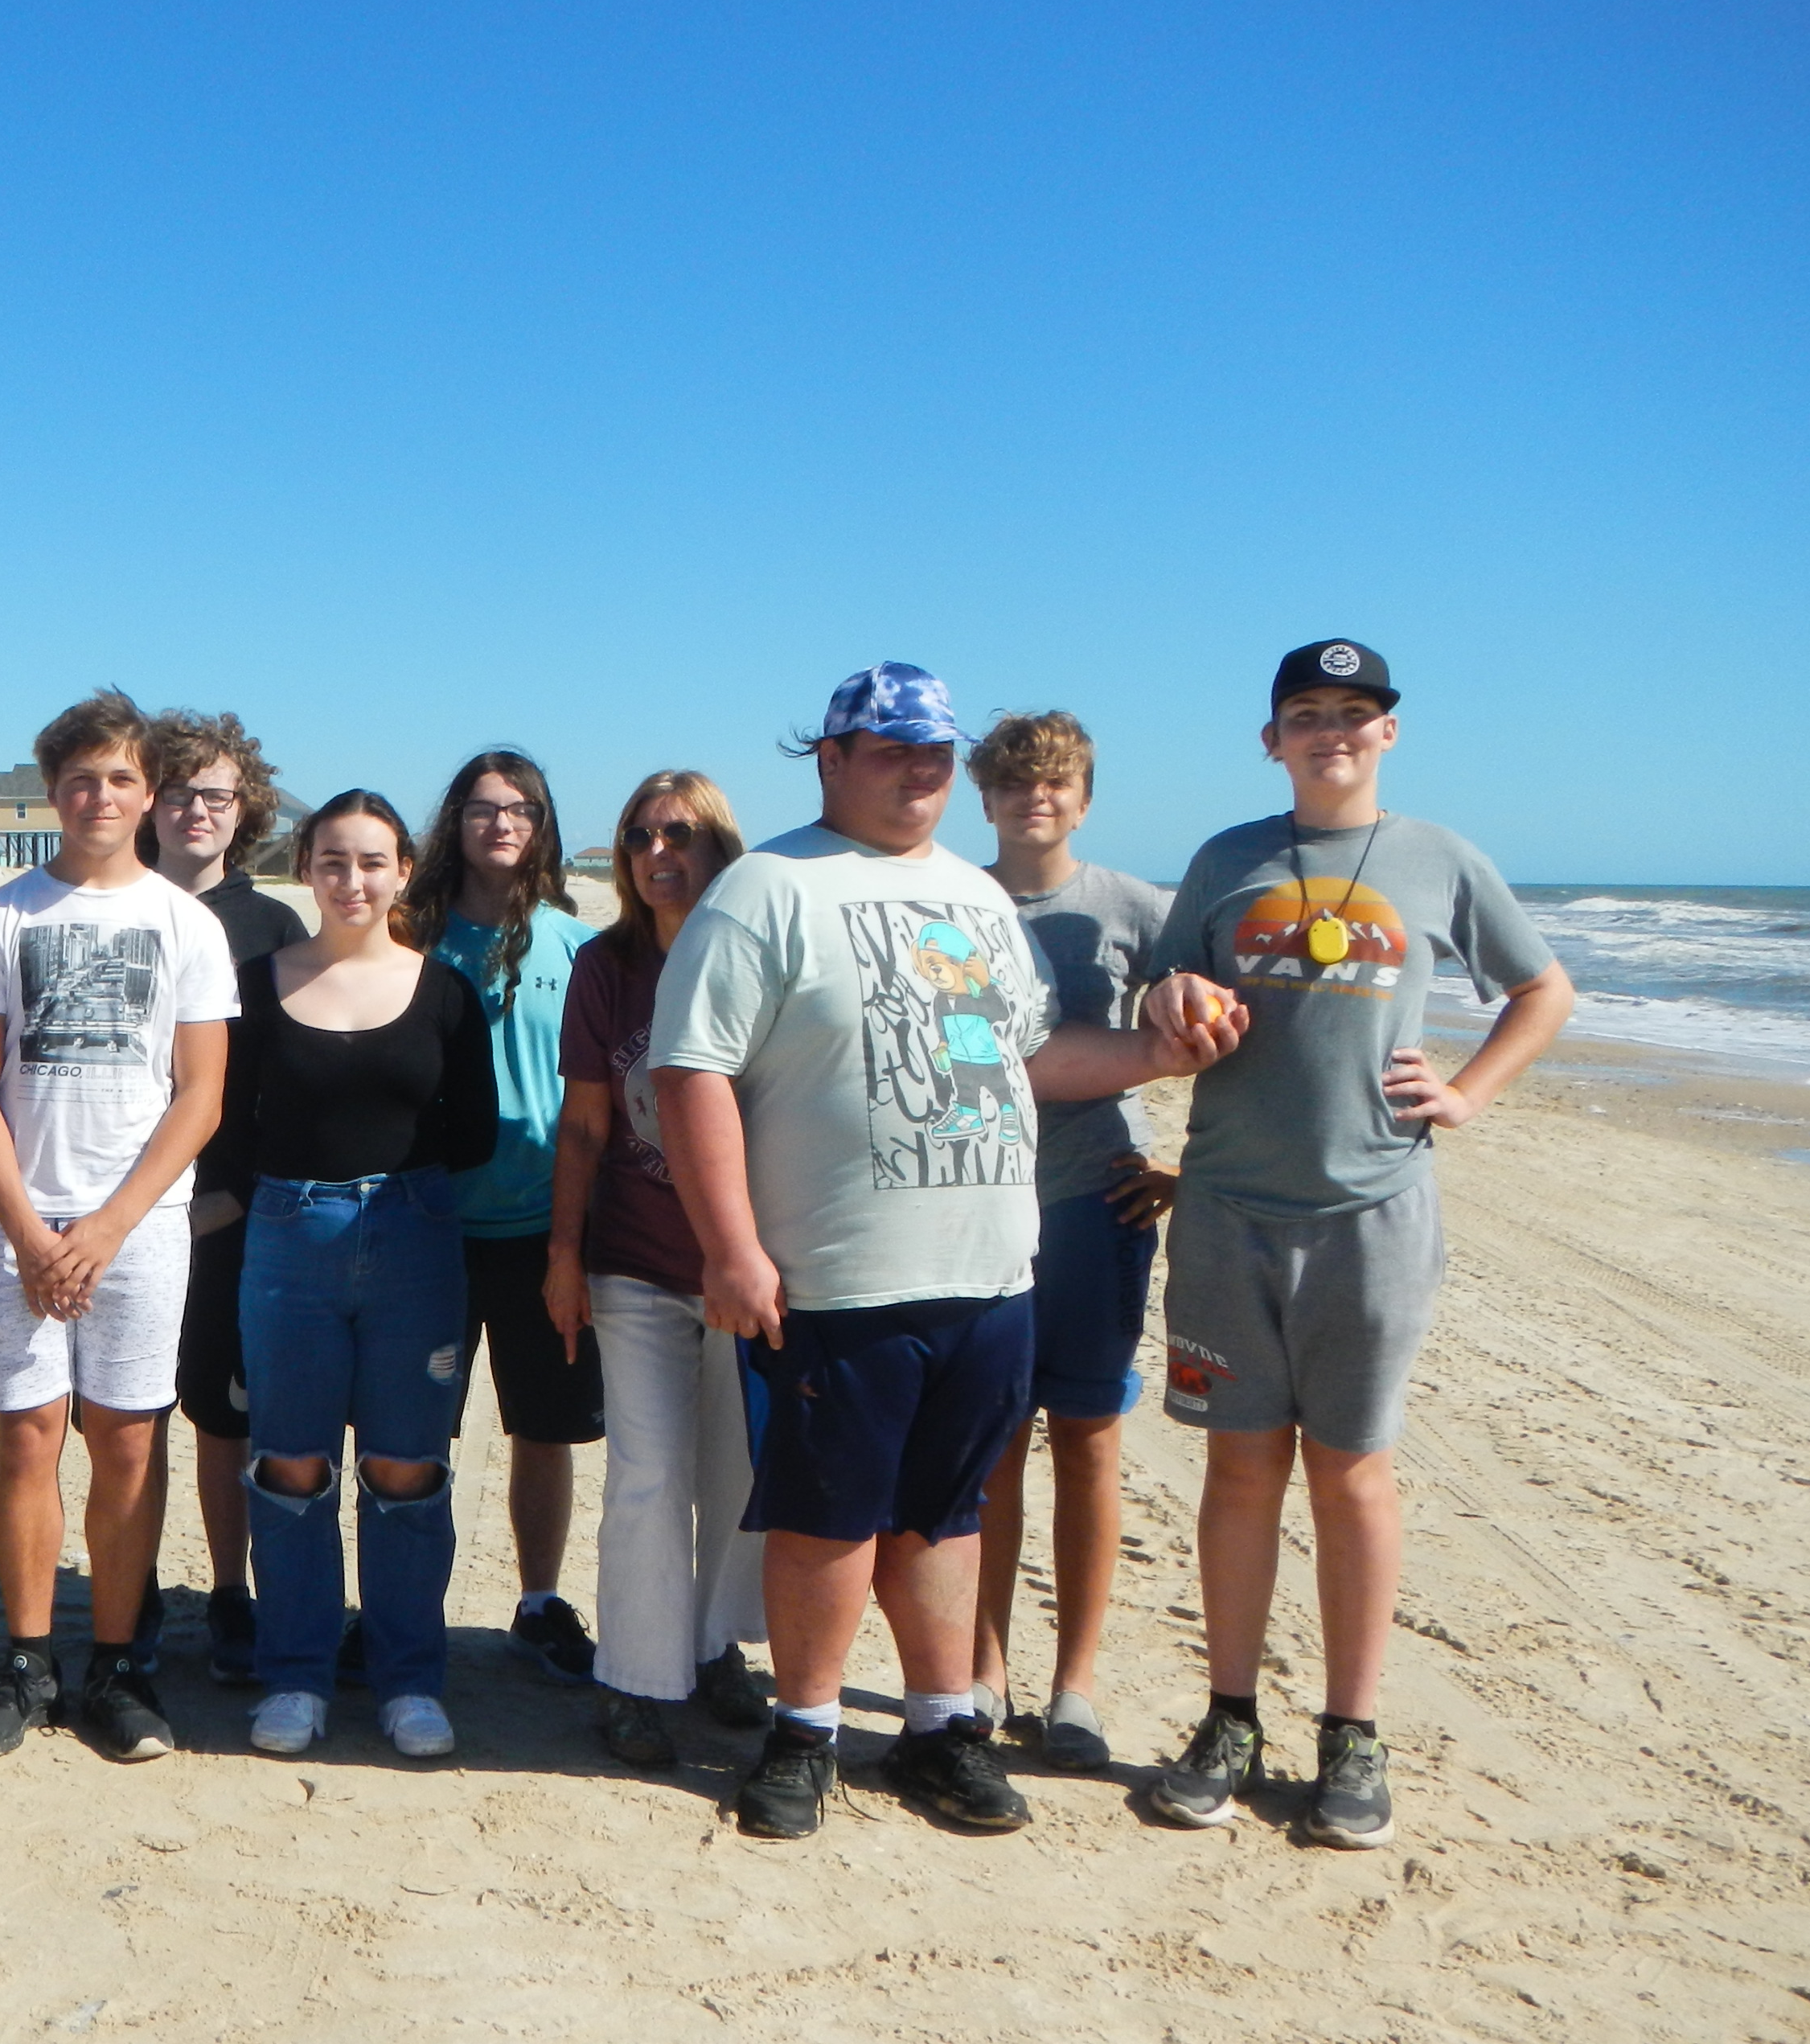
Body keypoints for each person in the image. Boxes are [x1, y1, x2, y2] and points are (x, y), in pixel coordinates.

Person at [651, 663, 1241, 1845]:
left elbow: (1028, 1058)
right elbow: (691, 1071)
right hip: (836, 1272)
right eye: (888, 748)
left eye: (933, 751)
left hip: (989, 1270)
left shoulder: (974, 896)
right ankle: (805, 1731)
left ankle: (939, 1729)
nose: (918, 768)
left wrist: (1159, 1060)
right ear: (831, 757)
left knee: (945, 1511)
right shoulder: (765, 889)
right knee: (828, 1516)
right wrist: (731, 1246)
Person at [1139, 641, 1570, 1850]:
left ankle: (1352, 1734)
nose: (1333, 730)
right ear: (1271, 739)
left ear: (1390, 733)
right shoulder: (1229, 859)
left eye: (1355, 713)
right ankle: (1229, 1719)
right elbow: (1168, 981)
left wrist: (1471, 1092)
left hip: (1374, 1215)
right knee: (1237, 1472)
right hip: (1227, 1211)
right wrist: (1170, 998)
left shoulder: (1441, 859)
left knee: (1352, 1475)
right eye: (1307, 713)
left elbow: (1541, 990)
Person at [0, 691, 236, 1763]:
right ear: (50, 790)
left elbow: (198, 1095)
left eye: (119, 779)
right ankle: (24, 1663)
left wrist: (109, 1227)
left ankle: (117, 1665)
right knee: (29, 1434)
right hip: (18, 1218)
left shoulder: (185, 924)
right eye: (79, 779)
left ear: (148, 794)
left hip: (141, 1228)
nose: (98, 796)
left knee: (127, 1441)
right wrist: (28, 1231)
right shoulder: (0, 915)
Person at [220, 792, 497, 1758]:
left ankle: (406, 1678)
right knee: (291, 1464)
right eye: (333, 861)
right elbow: (226, 1122)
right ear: (306, 867)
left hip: (415, 1235)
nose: (352, 881)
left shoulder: (446, 992)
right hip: (287, 1234)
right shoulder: (255, 984)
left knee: (405, 1470)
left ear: (402, 873)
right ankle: (294, 1676)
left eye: (372, 862)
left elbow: (471, 1130)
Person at [963, 713, 1174, 1775]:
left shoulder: (1136, 906)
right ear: (984, 798)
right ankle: (984, 1670)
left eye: (1053, 784)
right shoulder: (951, 898)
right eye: (1012, 784)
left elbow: (1243, 1025)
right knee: (993, 1439)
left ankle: (1076, 1687)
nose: (1033, 799)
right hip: (979, 1205)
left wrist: (1197, 1169)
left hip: (1099, 1202)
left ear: (1084, 797)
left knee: (1089, 1440)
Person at [544, 770, 767, 1769]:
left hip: (745, 1264)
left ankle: (716, 1648)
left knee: (737, 1472)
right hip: (632, 1259)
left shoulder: (762, 955)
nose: (657, 853)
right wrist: (563, 1256)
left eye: (680, 834)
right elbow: (586, 1127)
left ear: (721, 846)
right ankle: (633, 1678)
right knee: (646, 1470)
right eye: (639, 836)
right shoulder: (605, 967)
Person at [403, 750, 605, 1680]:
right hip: (432, 1223)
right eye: (482, 809)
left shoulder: (577, 943)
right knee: (415, 1434)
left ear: (541, 825)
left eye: (519, 809)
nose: (500, 825)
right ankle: (407, 1607)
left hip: (542, 1227)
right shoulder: (414, 938)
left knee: (545, 1427)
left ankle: (537, 1598)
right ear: (457, 823)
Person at [142, 708, 307, 1686]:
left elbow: (279, 1084)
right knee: (127, 1415)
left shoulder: (269, 927)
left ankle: (229, 1590)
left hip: (224, 1213)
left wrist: (228, 1198)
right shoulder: (106, 905)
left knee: (219, 1415)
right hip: (115, 1210)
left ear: (242, 810)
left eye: (217, 794)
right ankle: (137, 1594)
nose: (195, 810)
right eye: (176, 791)